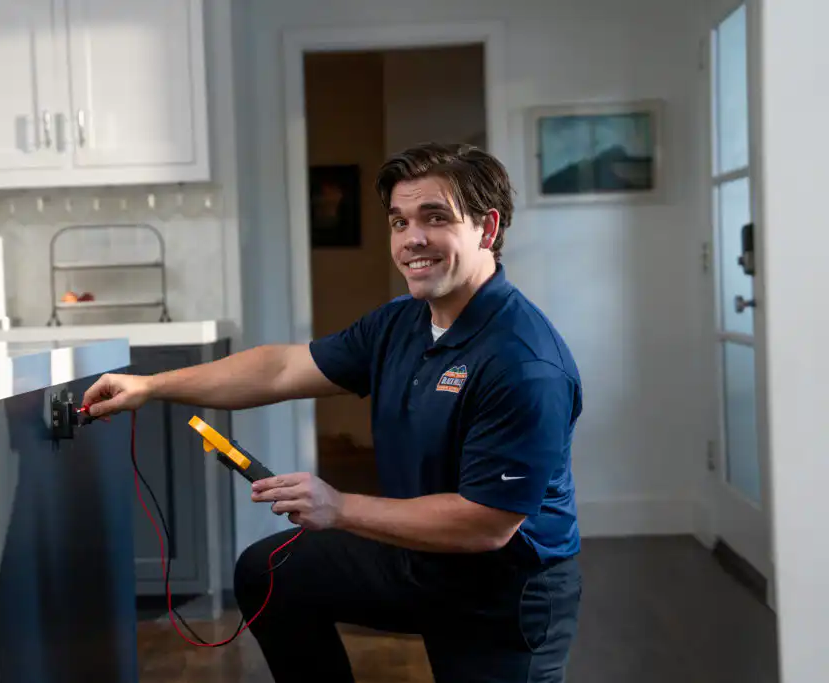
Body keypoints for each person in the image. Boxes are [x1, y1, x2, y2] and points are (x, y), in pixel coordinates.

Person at [81, 142, 584, 682]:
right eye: (399, 221)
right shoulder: (401, 323)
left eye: (435, 218)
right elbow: (279, 369)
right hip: (417, 556)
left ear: (487, 228)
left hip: (503, 590)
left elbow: (485, 524)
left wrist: (338, 507)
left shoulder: (525, 363)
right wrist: (151, 385)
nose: (412, 239)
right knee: (273, 571)